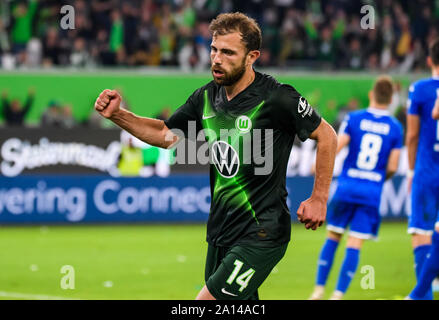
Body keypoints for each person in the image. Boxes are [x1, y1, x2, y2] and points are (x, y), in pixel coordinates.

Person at [94, 12, 337, 300]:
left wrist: (319, 197)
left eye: (228, 52)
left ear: (252, 56)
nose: (217, 58)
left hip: (263, 232)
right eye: (214, 49)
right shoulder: (206, 97)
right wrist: (118, 115)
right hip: (221, 232)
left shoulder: (278, 97)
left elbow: (327, 135)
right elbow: (165, 135)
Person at [309, 76, 403, 300]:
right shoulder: (395, 127)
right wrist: (378, 177)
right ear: (391, 100)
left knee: (333, 237)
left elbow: (335, 147)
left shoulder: (355, 119)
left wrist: (317, 167)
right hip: (371, 191)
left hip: (347, 187)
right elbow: (393, 165)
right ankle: (338, 295)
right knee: (355, 242)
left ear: (371, 94)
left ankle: (318, 290)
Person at [405, 38, 439, 300]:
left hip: (427, 170)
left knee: (421, 230)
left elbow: (413, 135)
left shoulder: (419, 89)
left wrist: (411, 170)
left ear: (429, 60)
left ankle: (421, 296)